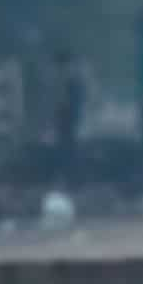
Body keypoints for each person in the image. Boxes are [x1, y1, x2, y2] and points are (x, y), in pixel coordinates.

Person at [53, 48, 87, 184]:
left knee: (67, 146)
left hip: (68, 115)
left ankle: (70, 175)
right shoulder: (76, 75)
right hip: (72, 114)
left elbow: (63, 99)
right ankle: (73, 175)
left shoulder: (68, 77)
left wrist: (59, 113)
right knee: (70, 145)